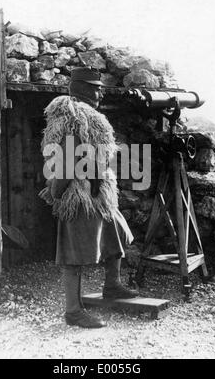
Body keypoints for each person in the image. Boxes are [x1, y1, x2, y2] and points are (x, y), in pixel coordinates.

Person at [39, 67, 139, 328]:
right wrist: (56, 191)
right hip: (78, 193)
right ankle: (73, 311)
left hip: (98, 192)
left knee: (116, 231)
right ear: (82, 88)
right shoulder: (72, 117)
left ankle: (112, 285)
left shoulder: (92, 117)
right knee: (74, 253)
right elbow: (69, 157)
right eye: (95, 87)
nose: (100, 91)